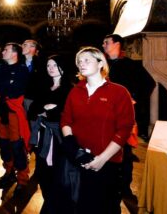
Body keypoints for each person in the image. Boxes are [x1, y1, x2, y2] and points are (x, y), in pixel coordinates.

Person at [61, 47, 135, 214]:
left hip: (107, 163)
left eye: (87, 60)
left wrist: (102, 159)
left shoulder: (119, 92)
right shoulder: (75, 91)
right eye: (79, 62)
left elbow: (124, 129)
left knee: (105, 207)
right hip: (79, 161)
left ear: (101, 63)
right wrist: (73, 147)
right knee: (79, 206)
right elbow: (66, 120)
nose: (81, 64)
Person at [102, 34, 156, 198]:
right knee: (104, 150)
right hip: (104, 116)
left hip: (123, 116)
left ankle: (124, 188)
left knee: (124, 153)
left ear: (117, 44)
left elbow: (149, 83)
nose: (103, 44)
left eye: (106, 42)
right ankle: (106, 185)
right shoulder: (100, 65)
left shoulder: (131, 65)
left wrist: (134, 99)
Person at [29, 55, 73, 213]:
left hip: (60, 136)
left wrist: (52, 111)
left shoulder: (69, 89)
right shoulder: (44, 86)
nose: (51, 68)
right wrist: (46, 110)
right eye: (48, 65)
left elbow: (68, 114)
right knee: (42, 173)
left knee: (58, 173)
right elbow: (33, 108)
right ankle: (50, 203)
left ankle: (54, 207)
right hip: (43, 134)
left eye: (54, 65)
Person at [0, 43, 31, 196]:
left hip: (14, 112)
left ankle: (22, 179)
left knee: (17, 145)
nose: (3, 52)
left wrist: (1, 86)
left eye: (5, 50)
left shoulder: (22, 69)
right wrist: (5, 85)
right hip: (1, 110)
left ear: (14, 53)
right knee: (4, 144)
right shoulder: (0, 68)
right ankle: (9, 172)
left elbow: (17, 89)